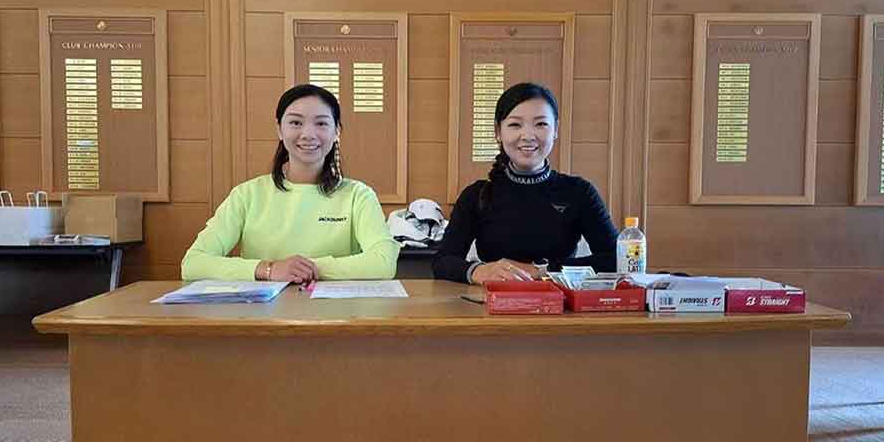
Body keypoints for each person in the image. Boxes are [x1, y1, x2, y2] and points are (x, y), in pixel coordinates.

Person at [181, 84, 399, 282]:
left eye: (321, 123)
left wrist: (307, 268)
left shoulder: (358, 195)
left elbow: (383, 262)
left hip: (333, 311)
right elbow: (193, 264)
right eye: (295, 123)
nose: (308, 134)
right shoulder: (247, 195)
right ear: (279, 129)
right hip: (261, 311)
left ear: (336, 132)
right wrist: (269, 269)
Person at [432, 82, 618, 284]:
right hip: (492, 300)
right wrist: (480, 271)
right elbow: (443, 261)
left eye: (541, 124)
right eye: (515, 125)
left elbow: (615, 259)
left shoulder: (579, 192)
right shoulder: (476, 195)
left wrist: (542, 271)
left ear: (555, 129)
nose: (528, 136)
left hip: (559, 301)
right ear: (498, 131)